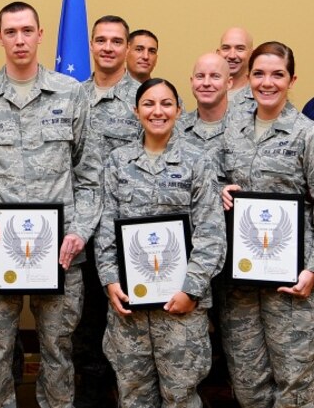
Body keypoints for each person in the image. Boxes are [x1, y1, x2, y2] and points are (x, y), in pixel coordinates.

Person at [0, 1, 101, 407]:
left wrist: (79, 232)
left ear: (40, 35)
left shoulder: (71, 95)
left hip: (60, 252)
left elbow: (90, 178)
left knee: (58, 351)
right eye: (11, 32)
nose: (20, 39)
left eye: (27, 31)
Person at [218, 41, 314, 408]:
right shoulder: (231, 129)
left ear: (292, 80)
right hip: (240, 287)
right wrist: (219, 190)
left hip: (294, 285)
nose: (266, 82)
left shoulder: (309, 134)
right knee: (247, 384)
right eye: (259, 74)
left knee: (294, 385)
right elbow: (206, 180)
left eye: (277, 74)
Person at [96, 77, 225, 407]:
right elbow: (106, 228)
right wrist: (110, 281)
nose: (158, 111)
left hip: (181, 309)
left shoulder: (198, 162)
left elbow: (211, 235)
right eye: (149, 104)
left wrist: (190, 289)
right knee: (132, 396)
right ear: (135, 110)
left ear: (179, 110)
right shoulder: (117, 162)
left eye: (166, 104)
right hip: (130, 310)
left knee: (180, 397)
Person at [74, 14, 141, 407]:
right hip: (80, 235)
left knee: (127, 329)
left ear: (128, 48)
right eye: (101, 40)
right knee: (84, 329)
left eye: (117, 41)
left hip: (124, 235)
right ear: (92, 46)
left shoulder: (143, 98)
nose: (108, 47)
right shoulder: (71, 96)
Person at [177, 52, 234, 154]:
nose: (206, 83)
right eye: (200, 76)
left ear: (228, 83)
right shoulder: (176, 128)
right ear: (192, 82)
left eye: (215, 76)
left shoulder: (245, 128)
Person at [216, 27, 255, 113]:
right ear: (218, 53)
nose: (232, 56)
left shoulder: (261, 95)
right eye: (226, 48)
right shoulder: (208, 91)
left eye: (240, 48)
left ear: (252, 54)